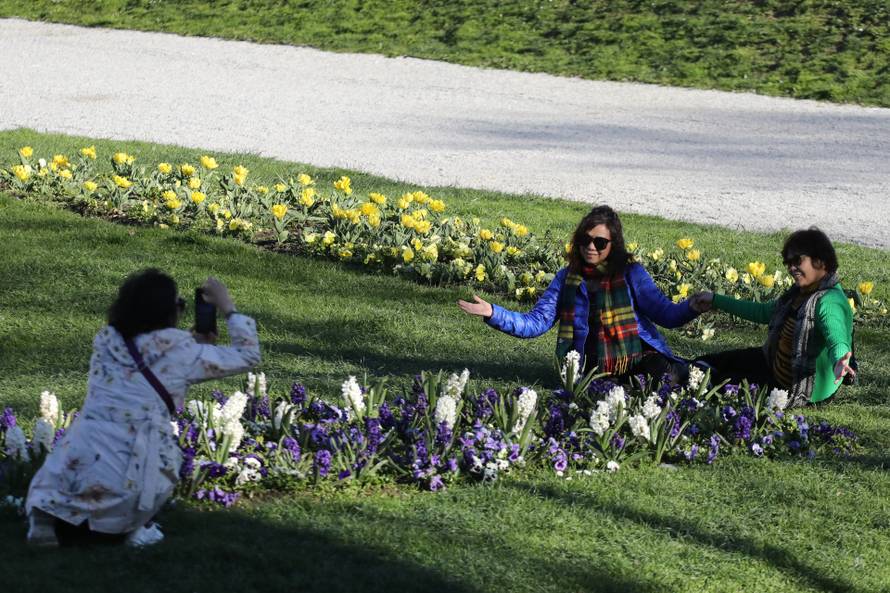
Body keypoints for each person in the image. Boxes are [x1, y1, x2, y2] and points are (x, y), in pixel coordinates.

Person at [25, 270, 261, 547]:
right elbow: (248, 355)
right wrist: (228, 307)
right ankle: (131, 526)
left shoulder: (107, 341)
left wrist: (192, 343)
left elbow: (151, 357)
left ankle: (45, 515)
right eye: (179, 304)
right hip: (134, 456)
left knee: (73, 462)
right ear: (166, 312)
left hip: (82, 447)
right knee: (164, 461)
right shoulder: (182, 352)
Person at [458, 205, 699, 382]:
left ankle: (690, 371)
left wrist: (693, 306)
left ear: (613, 245)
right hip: (590, 368)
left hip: (637, 357)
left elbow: (666, 314)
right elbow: (536, 322)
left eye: (600, 242)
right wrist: (493, 313)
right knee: (609, 390)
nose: (591, 247)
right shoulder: (567, 279)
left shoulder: (630, 273)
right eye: (585, 240)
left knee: (661, 375)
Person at [690, 227, 855, 407]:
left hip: (795, 386)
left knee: (721, 384)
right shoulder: (800, 293)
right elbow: (764, 312)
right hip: (772, 363)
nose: (791, 268)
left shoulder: (830, 302)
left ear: (820, 261)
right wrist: (715, 300)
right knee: (705, 365)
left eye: (797, 261)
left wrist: (840, 360)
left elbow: (836, 336)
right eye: (788, 263)